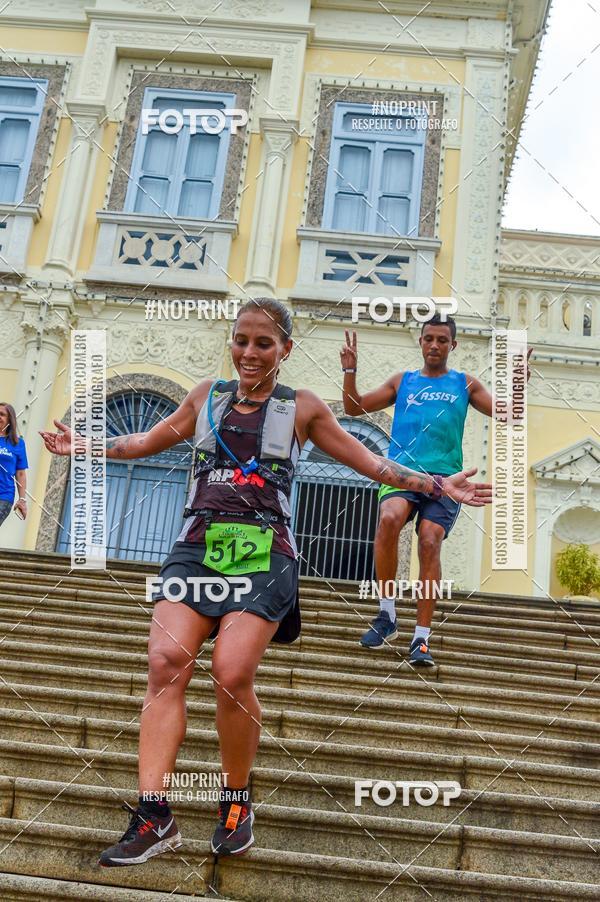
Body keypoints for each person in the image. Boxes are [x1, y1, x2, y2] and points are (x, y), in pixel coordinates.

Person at [40, 298, 491, 865]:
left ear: (285, 350)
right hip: (197, 548)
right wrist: (83, 445)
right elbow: (141, 442)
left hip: (264, 553)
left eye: (263, 343)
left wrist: (431, 485)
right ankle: (155, 815)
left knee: (231, 673)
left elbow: (371, 465)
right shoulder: (206, 396)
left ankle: (234, 802)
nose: (249, 353)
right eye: (241, 341)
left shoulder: (301, 407)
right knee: (163, 662)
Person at [341, 315, 530, 665]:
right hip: (402, 475)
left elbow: (506, 412)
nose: (434, 345)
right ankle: (387, 615)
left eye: (442, 340)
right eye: (429, 338)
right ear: (421, 342)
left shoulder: (465, 383)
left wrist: (518, 385)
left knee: (429, 541)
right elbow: (354, 407)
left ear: (452, 345)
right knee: (388, 519)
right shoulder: (403, 382)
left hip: (447, 481)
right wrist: (350, 372)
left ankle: (421, 638)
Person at [0, 403, 28, 528]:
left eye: (2, 414)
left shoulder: (17, 443)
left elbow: (21, 473)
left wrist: (22, 500)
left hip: (4, 496)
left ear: (9, 419)